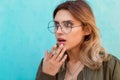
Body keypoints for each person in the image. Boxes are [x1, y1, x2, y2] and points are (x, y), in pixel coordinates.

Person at [36, 0, 120, 80]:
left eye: (68, 25)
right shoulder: (48, 64)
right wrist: (47, 75)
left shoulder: (110, 65)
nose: (58, 31)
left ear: (87, 29)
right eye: (56, 25)